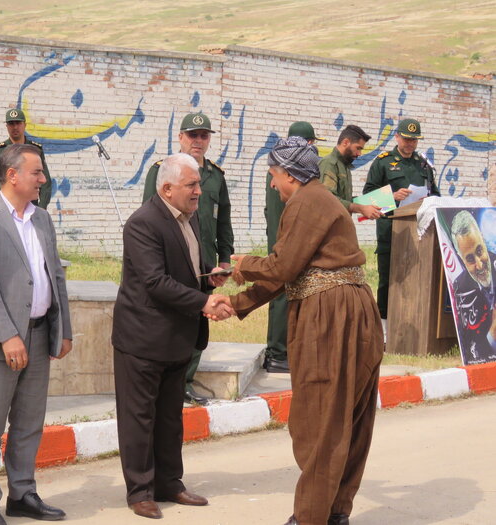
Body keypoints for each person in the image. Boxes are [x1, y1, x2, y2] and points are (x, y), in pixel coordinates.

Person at [220, 137, 383, 525]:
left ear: (290, 174)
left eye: (274, 176)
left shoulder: (307, 202)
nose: (273, 184)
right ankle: (335, 512)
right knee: (347, 417)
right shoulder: (320, 199)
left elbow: (281, 268)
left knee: (321, 418)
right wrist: (238, 304)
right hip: (350, 312)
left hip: (332, 317)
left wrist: (242, 264)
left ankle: (311, 517)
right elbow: (290, 274)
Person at [113, 153, 231, 519]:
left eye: (199, 183)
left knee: (169, 418)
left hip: (177, 337)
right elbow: (155, 282)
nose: (199, 190)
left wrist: (206, 277)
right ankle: (140, 490)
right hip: (144, 339)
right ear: (166, 189)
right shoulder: (142, 223)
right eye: (192, 185)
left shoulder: (190, 219)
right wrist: (205, 302)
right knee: (139, 418)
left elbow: (181, 269)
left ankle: (169, 483)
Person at [0, 144, 72, 525]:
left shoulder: (41, 219)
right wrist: (9, 335)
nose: (43, 179)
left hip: (40, 335)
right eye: (37, 173)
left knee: (29, 422)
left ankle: (22, 493)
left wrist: (64, 329)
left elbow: (55, 275)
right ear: (12, 175)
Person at [142, 112, 234, 404]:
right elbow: (149, 215)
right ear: (180, 137)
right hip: (171, 260)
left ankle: (186, 380)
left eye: (204, 135)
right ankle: (168, 380)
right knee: (171, 319)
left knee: (197, 320)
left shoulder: (215, 176)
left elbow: (224, 221)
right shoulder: (163, 170)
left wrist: (225, 259)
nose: (198, 140)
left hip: (203, 262)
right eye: (192, 135)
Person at [362, 118, 440, 329]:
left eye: (414, 140)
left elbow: (437, 195)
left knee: (417, 280)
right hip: (391, 232)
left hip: (420, 233)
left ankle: (414, 324)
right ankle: (385, 329)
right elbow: (366, 198)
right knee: (388, 281)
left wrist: (428, 200)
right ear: (397, 137)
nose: (410, 144)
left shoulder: (423, 164)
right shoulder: (383, 162)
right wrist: (393, 196)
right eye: (406, 139)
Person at [263, 121, 325, 373]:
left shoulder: (281, 166)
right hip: (285, 238)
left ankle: (284, 350)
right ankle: (277, 353)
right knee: (281, 292)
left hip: (283, 236)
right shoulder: (287, 170)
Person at [450, 210, 496, 364]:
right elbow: (473, 350)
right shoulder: (461, 288)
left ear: (483, 240)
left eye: (479, 251)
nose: (479, 264)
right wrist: (493, 332)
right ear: (461, 259)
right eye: (469, 259)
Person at [0, 108, 52, 208]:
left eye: (18, 123)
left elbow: (45, 183)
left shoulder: (35, 150)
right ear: (6, 126)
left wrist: (41, 208)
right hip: (5, 208)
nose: (15, 127)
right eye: (11, 124)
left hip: (31, 206)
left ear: (25, 125)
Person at [318, 125, 382, 219]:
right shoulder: (329, 164)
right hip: (329, 228)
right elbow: (328, 199)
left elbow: (344, 200)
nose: (359, 154)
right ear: (346, 142)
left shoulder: (344, 166)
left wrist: (369, 206)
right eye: (358, 148)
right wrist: (360, 208)